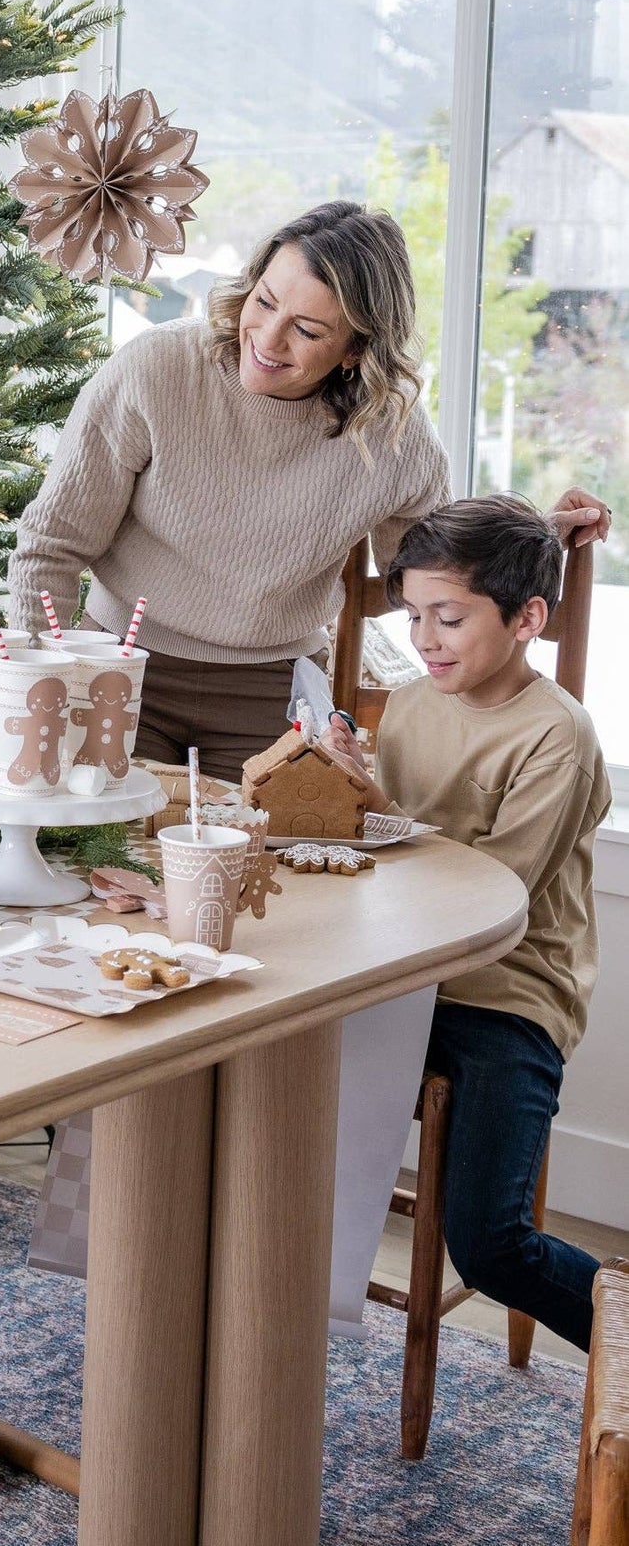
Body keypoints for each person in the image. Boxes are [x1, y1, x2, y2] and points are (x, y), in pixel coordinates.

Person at [7, 200, 610, 781]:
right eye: (263, 302)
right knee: (106, 859)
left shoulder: (390, 432)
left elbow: (436, 571)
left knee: (271, 873)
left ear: (356, 349)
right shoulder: (157, 372)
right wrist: (45, 691)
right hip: (119, 666)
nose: (267, 340)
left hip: (274, 688)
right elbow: (50, 548)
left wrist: (535, 534)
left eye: (306, 329)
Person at [322, 495, 611, 1349]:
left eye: (447, 617)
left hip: (506, 993)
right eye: (413, 615)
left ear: (526, 618)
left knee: (488, 1243)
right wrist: (342, 784)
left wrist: (374, 805)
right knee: (252, 1095)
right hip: (398, 975)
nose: (424, 638)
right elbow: (383, 861)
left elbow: (492, 901)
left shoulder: (557, 737)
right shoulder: (409, 706)